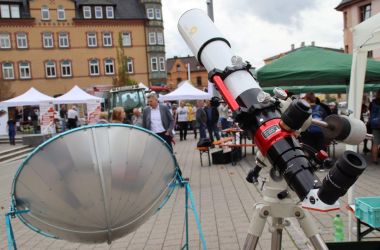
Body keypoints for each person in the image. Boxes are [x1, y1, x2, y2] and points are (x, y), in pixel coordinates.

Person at [369, 90, 380, 164]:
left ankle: (375, 160)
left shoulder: (372, 103)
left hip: (375, 124)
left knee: (375, 143)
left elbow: (370, 111)